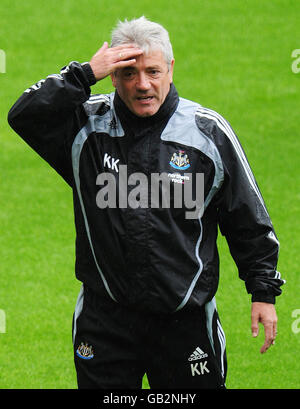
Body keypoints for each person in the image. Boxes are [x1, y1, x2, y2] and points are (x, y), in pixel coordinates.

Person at [8, 16, 284, 389]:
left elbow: (246, 217)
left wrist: (263, 292)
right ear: (114, 77)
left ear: (170, 69)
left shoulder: (207, 134)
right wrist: (84, 74)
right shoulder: (85, 130)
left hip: (184, 324)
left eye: (153, 71)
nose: (143, 85)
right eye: (128, 73)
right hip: (105, 322)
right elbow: (24, 114)